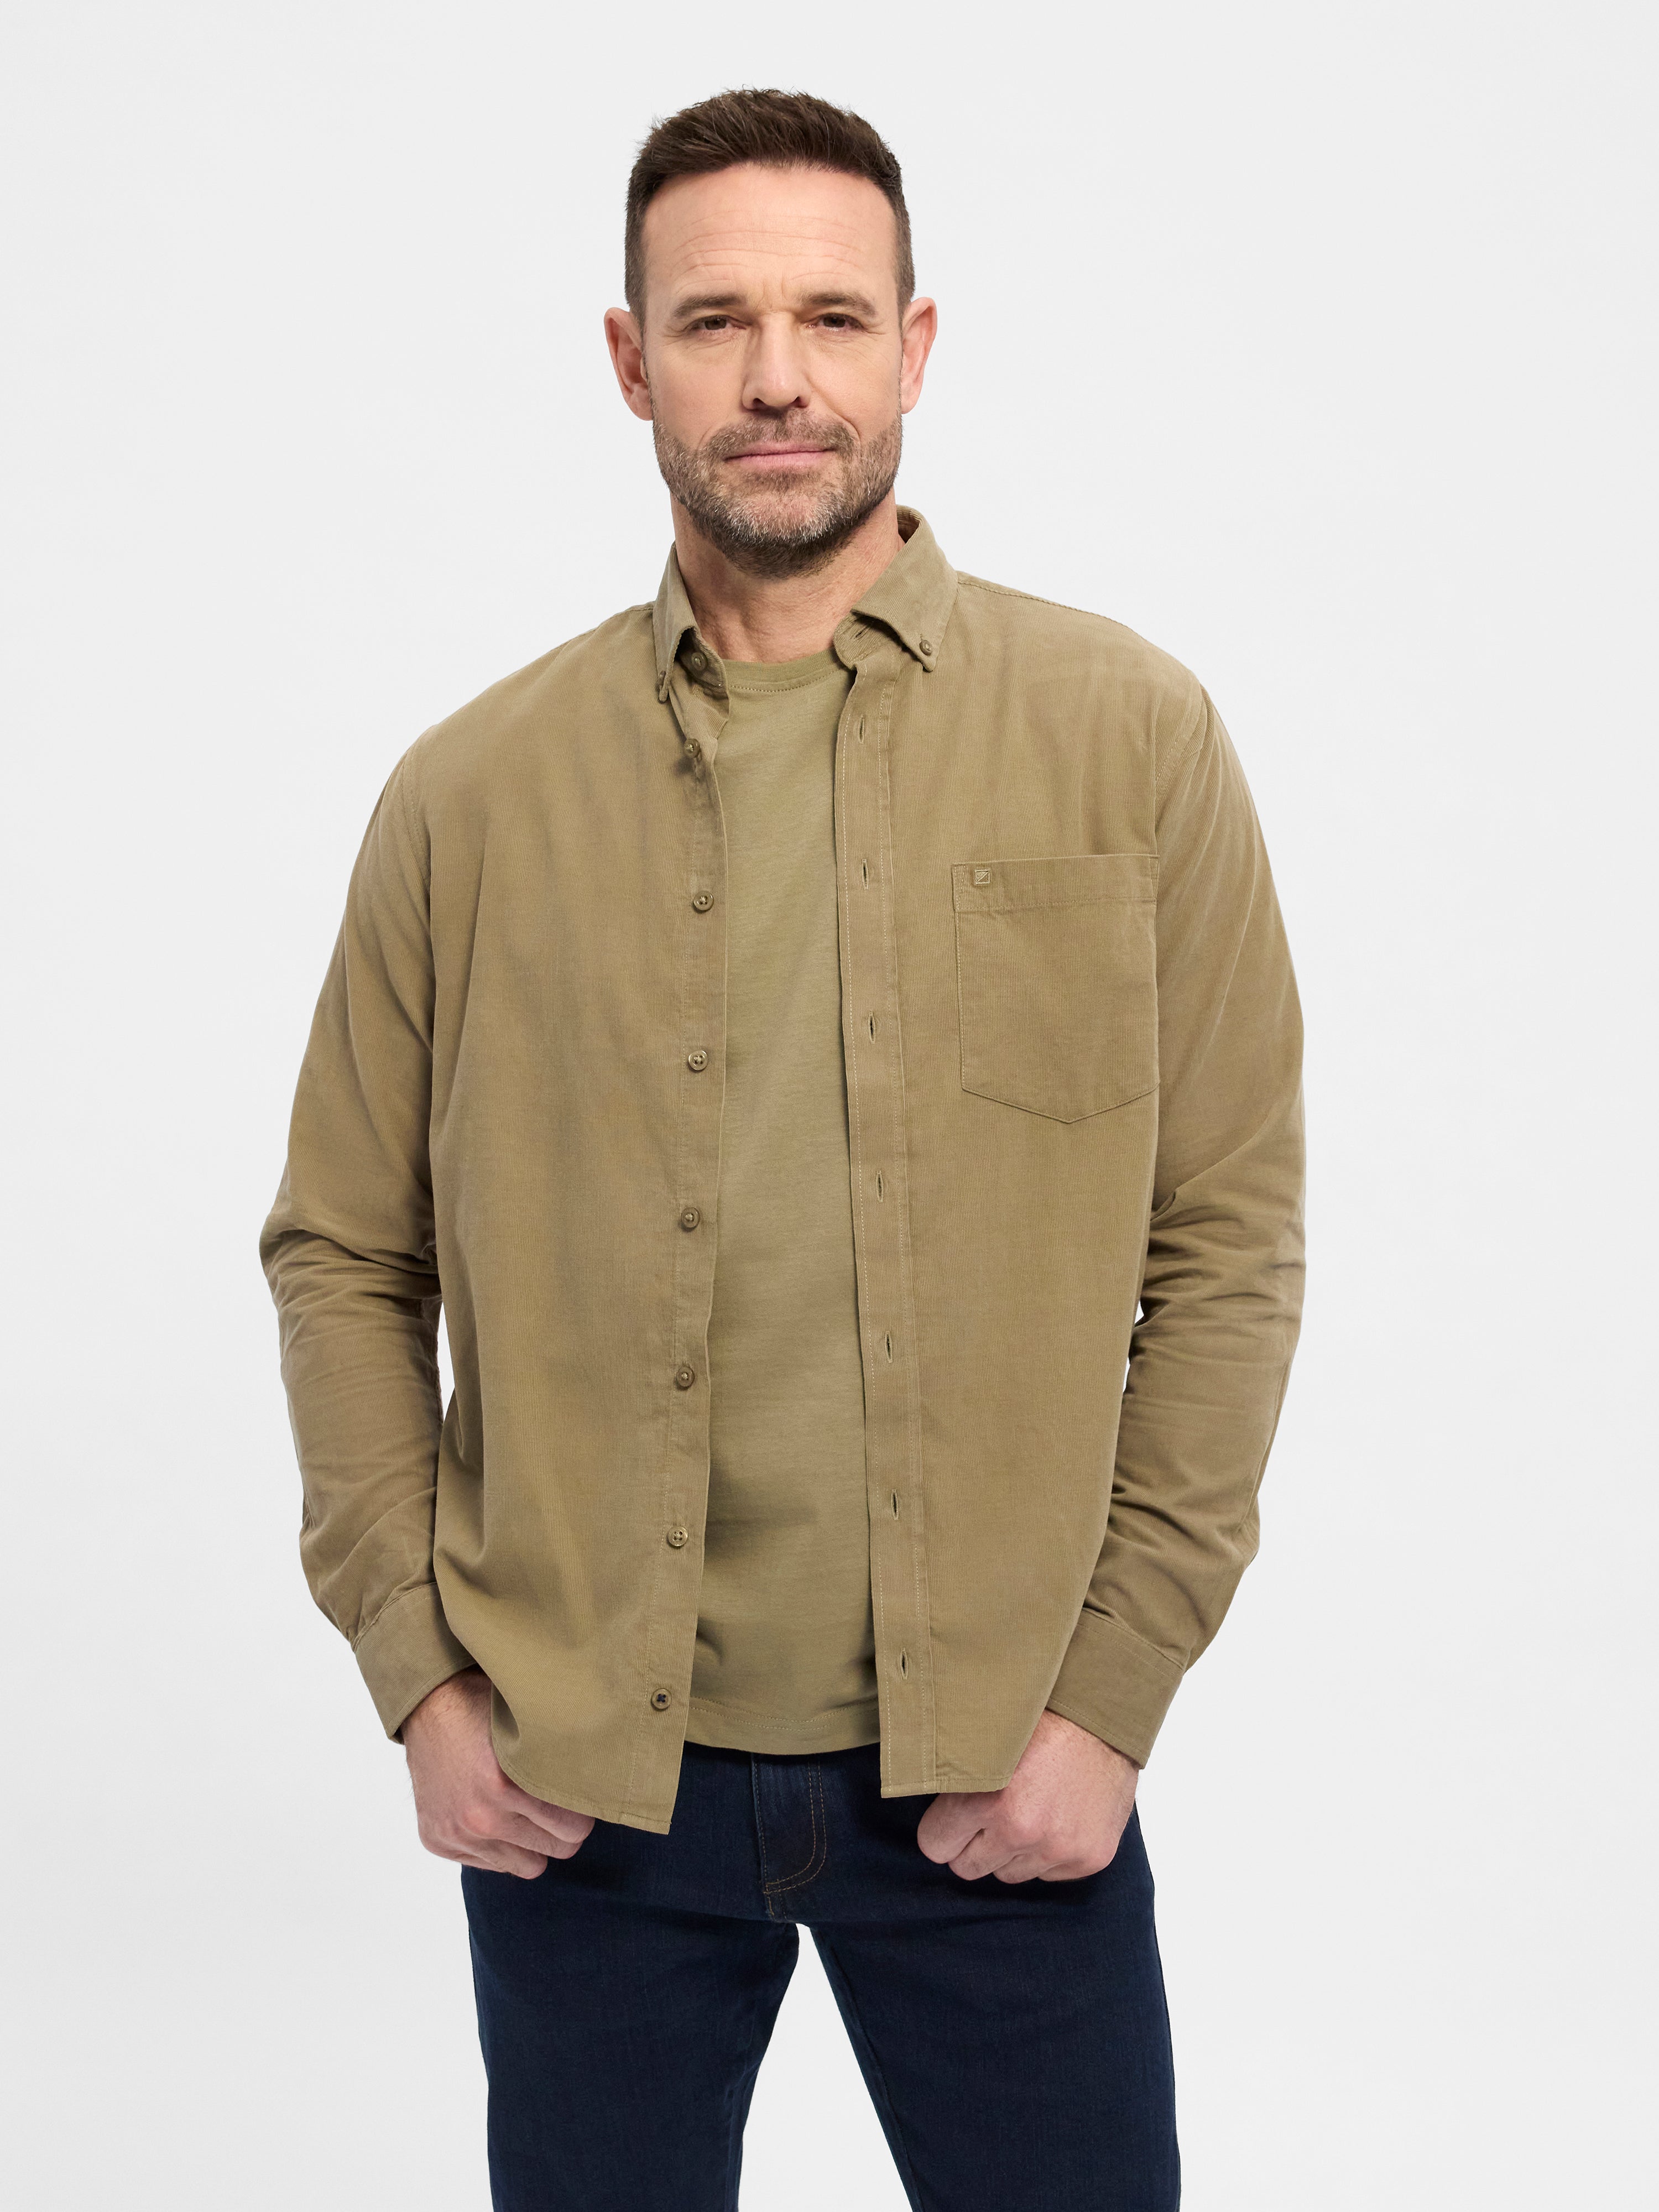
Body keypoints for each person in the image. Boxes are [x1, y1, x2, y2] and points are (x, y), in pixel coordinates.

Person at [260, 86, 1305, 2212]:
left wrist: (1109, 1705)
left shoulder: (1129, 737)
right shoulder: (470, 796)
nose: (775, 377)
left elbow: (1225, 1247)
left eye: (831, 317)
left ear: (913, 350)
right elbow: (344, 1252)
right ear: (630, 360)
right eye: (713, 319)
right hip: (585, 1787)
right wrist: (421, 1677)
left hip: (1000, 1768)